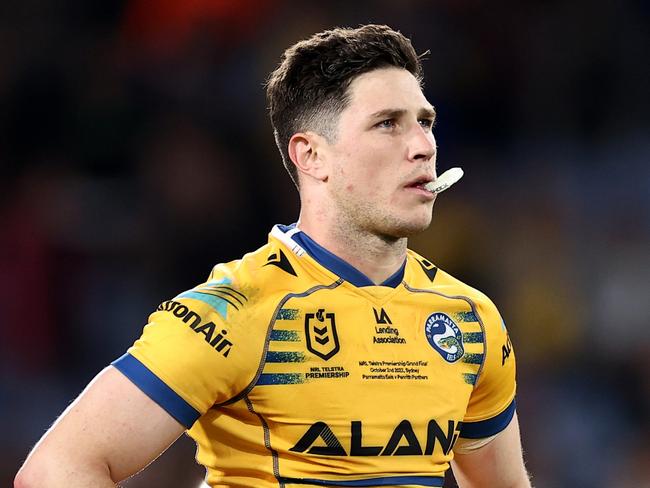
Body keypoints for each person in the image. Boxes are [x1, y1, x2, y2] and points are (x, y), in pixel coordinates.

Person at [15, 24, 532, 488]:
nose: (423, 145)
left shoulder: (468, 319)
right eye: (388, 124)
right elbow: (56, 469)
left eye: (425, 121)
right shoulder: (237, 311)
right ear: (311, 155)